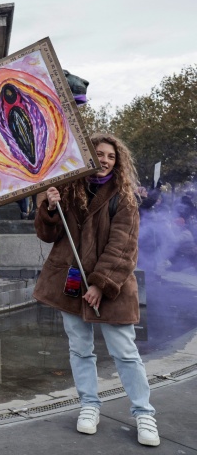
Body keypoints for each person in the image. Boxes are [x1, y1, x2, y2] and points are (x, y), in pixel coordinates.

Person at [33, 133, 160, 447]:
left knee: (125, 354)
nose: (104, 160)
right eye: (98, 154)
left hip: (111, 288)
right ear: (86, 156)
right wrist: (49, 208)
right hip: (72, 283)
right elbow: (48, 235)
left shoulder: (124, 197)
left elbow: (124, 247)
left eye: (110, 156)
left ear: (117, 162)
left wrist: (101, 285)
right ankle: (89, 405)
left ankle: (144, 413)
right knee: (79, 349)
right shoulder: (65, 191)